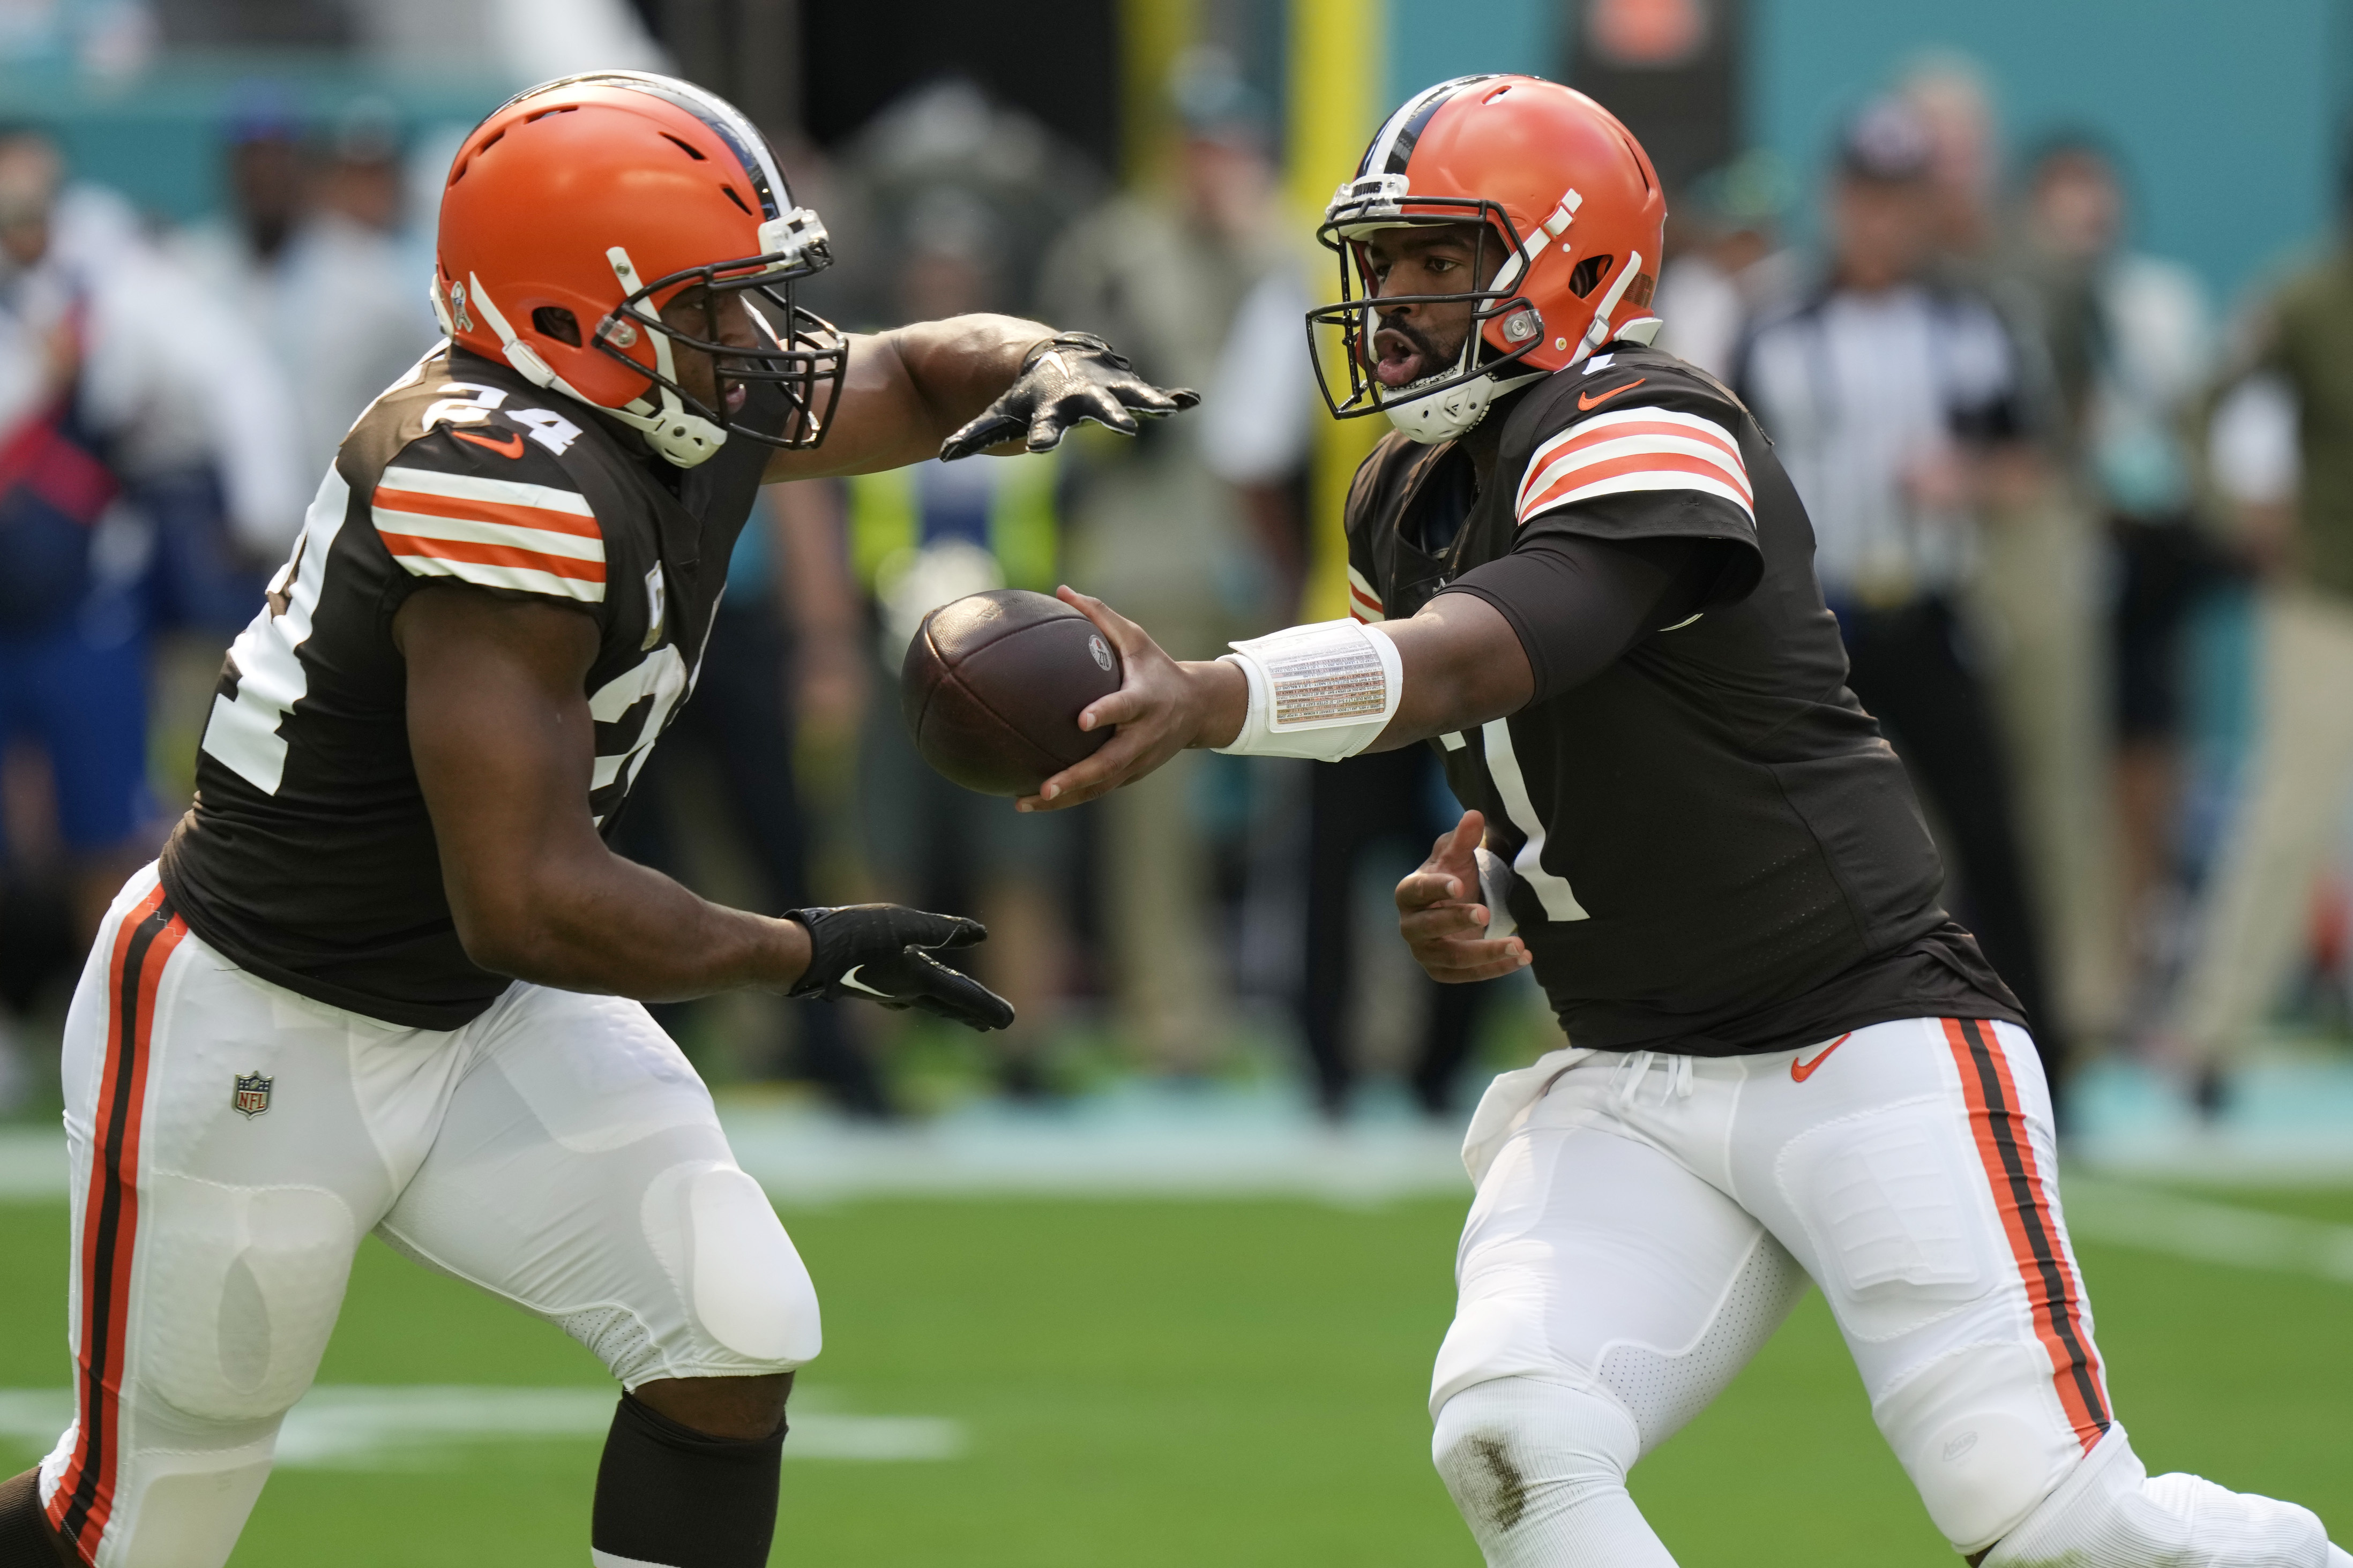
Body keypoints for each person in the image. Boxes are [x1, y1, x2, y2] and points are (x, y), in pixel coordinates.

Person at [1019, 74, 2349, 1568]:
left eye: (1439, 262)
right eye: (1381, 262)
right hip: (1634, 1065)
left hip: (1857, 1040)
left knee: (2060, 1532)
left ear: (1574, 265)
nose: (1391, 301)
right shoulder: (1406, 491)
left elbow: (1500, 643)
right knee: (1515, 1431)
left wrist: (1204, 694)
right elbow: (1516, 751)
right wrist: (1493, 886)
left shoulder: (1642, 413)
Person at [0, 71, 1192, 1568]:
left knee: (730, 1324)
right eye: (721, 303)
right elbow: (532, 898)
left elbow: (904, 372)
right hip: (264, 1016)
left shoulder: (659, 387)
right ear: (571, 319)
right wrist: (802, 951)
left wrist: (1039, 359)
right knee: (145, 1520)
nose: (767, 341)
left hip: (477, 1007)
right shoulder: (492, 477)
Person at [1735, 99, 2066, 1086]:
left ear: (1925, 208)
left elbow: (2029, 461)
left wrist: (1967, 475)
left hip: (1930, 608)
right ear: (1839, 202)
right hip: (1821, 622)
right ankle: (1787, 1052)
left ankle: (2040, 1058)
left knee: (1989, 835)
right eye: (1865, 200)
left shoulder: (1972, 321)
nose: (1880, 223)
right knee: (1798, 844)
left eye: (1899, 202)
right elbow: (1736, 469)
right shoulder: (1779, 324)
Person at [2008, 136, 2220, 1014]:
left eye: (2093, 195)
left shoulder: (2161, 303)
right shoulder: (2010, 300)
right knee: (2060, 777)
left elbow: (2189, 429)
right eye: (2063, 195)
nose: (2081, 213)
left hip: (2149, 555)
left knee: (2146, 768)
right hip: (2059, 555)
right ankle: (2069, 974)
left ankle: (2139, 969)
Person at [2171, 136, 2353, 1102]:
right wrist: (2238, 513)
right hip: (2326, 595)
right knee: (2288, 818)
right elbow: (2201, 407)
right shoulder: (2306, 301)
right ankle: (2213, 1036)